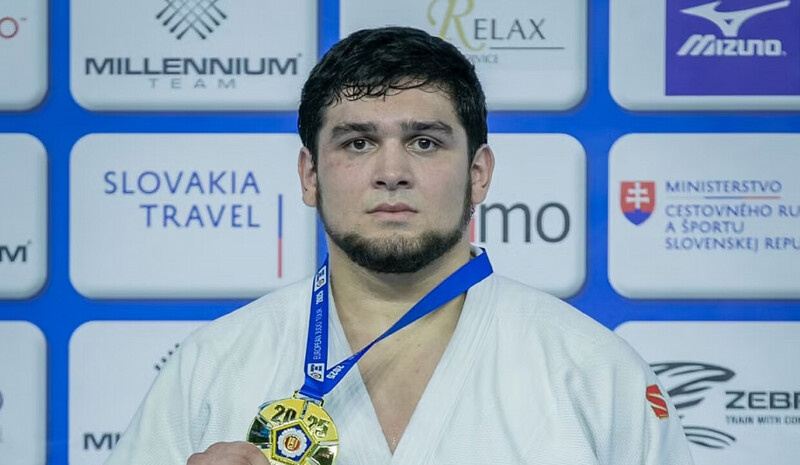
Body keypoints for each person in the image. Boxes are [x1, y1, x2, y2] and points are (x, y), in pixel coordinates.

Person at [106, 27, 695, 465]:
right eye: (358, 143)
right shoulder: (212, 367)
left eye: (424, 142)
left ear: (479, 174)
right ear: (310, 175)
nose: (391, 172)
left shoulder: (593, 372)